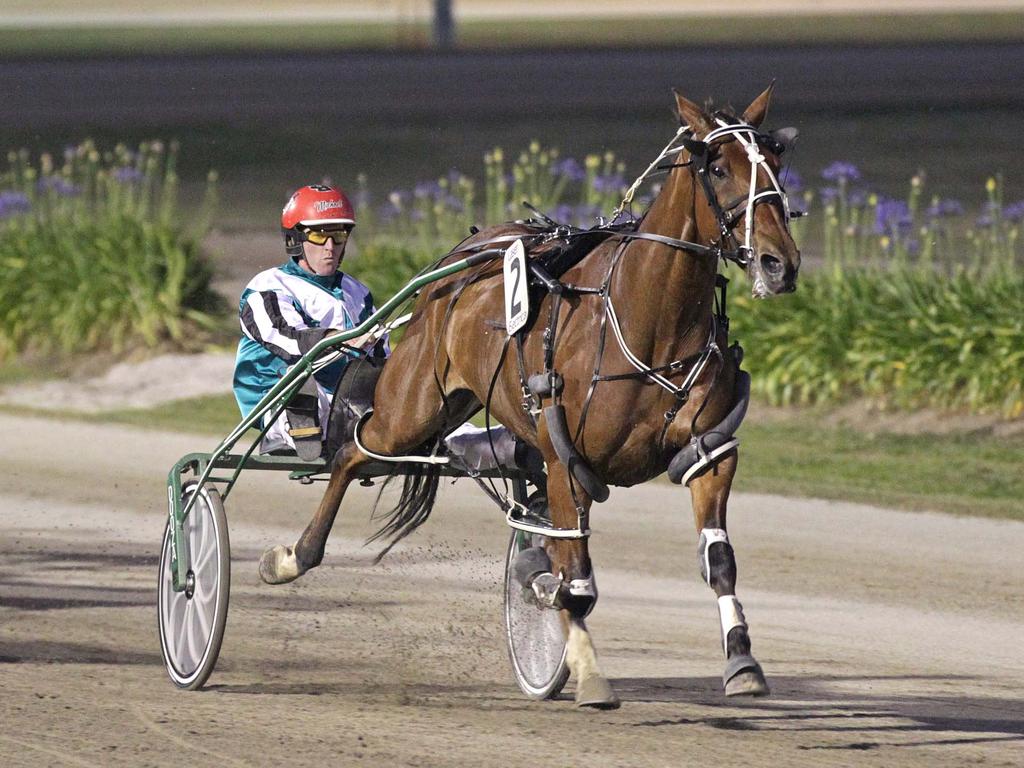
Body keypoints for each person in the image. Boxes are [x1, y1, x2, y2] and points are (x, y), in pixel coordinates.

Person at [233, 182, 527, 472]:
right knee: (305, 388)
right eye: (319, 236)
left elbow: (381, 357)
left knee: (417, 409)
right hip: (279, 394)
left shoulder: (356, 292)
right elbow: (283, 337)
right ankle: (302, 424)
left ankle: (504, 443)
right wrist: (341, 340)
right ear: (296, 238)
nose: (330, 247)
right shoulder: (268, 286)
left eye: (339, 235)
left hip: (350, 400)